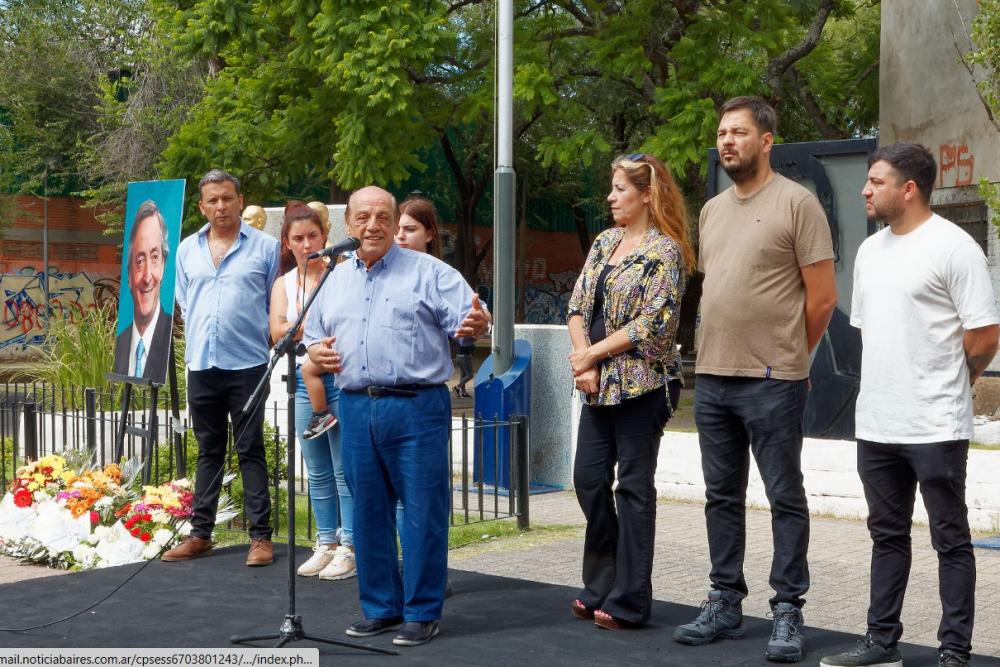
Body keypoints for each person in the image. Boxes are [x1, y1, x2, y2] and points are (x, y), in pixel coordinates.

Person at [673, 96, 838, 662]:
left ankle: (788, 608)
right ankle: (724, 600)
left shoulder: (799, 203)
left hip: (773, 379)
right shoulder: (712, 210)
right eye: (721, 133)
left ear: (767, 140)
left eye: (738, 132)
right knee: (721, 496)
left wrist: (794, 355)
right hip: (713, 378)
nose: (727, 142)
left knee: (783, 495)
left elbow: (822, 299)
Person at [820, 144, 999, 667]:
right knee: (886, 536)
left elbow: (985, 335)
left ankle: (955, 651)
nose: (865, 189)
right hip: (877, 422)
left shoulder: (954, 247)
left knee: (950, 539)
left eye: (875, 181)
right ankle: (881, 643)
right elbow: (874, 335)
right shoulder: (871, 252)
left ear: (909, 188)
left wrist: (957, 379)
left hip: (936, 422)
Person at [304, 186, 488, 647]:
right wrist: (315, 353)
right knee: (367, 510)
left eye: (383, 216)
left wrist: (476, 327)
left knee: (423, 511)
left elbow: (470, 323)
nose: (373, 225)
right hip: (356, 404)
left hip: (417, 407)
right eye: (363, 217)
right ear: (348, 224)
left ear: (395, 220)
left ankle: (422, 611)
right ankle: (381, 607)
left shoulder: (431, 273)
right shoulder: (334, 278)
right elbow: (311, 336)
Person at [566, 153, 693, 631]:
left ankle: (630, 600)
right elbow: (577, 305)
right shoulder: (604, 242)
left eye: (620, 189)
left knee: (634, 489)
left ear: (647, 194)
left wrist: (592, 355)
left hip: (644, 387)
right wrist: (584, 361)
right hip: (596, 384)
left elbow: (654, 325)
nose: (610, 196)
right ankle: (603, 581)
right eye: (612, 187)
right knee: (588, 479)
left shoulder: (667, 251)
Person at [162, 169, 279, 567]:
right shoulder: (186, 250)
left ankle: (261, 538)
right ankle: (200, 534)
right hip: (202, 364)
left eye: (227, 198)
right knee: (208, 450)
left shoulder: (265, 248)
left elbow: (274, 302)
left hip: (248, 364)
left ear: (240, 200)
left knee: (250, 450)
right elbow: (183, 299)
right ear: (201, 206)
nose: (220, 206)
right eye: (212, 200)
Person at [268, 201, 355, 581]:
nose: (307, 244)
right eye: (298, 238)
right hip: (302, 382)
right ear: (287, 243)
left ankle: (351, 546)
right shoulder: (283, 284)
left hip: (340, 376)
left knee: (343, 469)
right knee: (317, 470)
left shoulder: (342, 274)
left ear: (325, 237)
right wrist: (309, 329)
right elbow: (277, 332)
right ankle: (326, 542)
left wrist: (300, 327)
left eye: (313, 236)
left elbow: (344, 324)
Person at [395, 196, 477, 399]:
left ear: (429, 234)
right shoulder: (377, 273)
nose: (400, 236)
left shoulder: (440, 275)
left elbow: (469, 318)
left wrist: (479, 322)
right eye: (396, 230)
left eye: (410, 229)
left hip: (422, 395)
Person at [113, 200, 173, 383]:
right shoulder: (122, 342)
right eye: (139, 261)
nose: (147, 277)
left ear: (163, 265)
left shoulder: (166, 338)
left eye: (154, 258)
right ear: (129, 274)